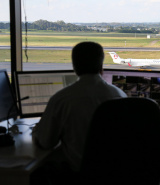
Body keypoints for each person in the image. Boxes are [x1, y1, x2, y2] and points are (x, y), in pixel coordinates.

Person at [32, 42, 127, 184]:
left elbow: (46, 143)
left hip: (78, 176)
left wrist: (36, 131)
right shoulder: (120, 95)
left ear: (74, 67)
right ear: (101, 67)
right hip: (116, 175)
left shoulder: (62, 99)